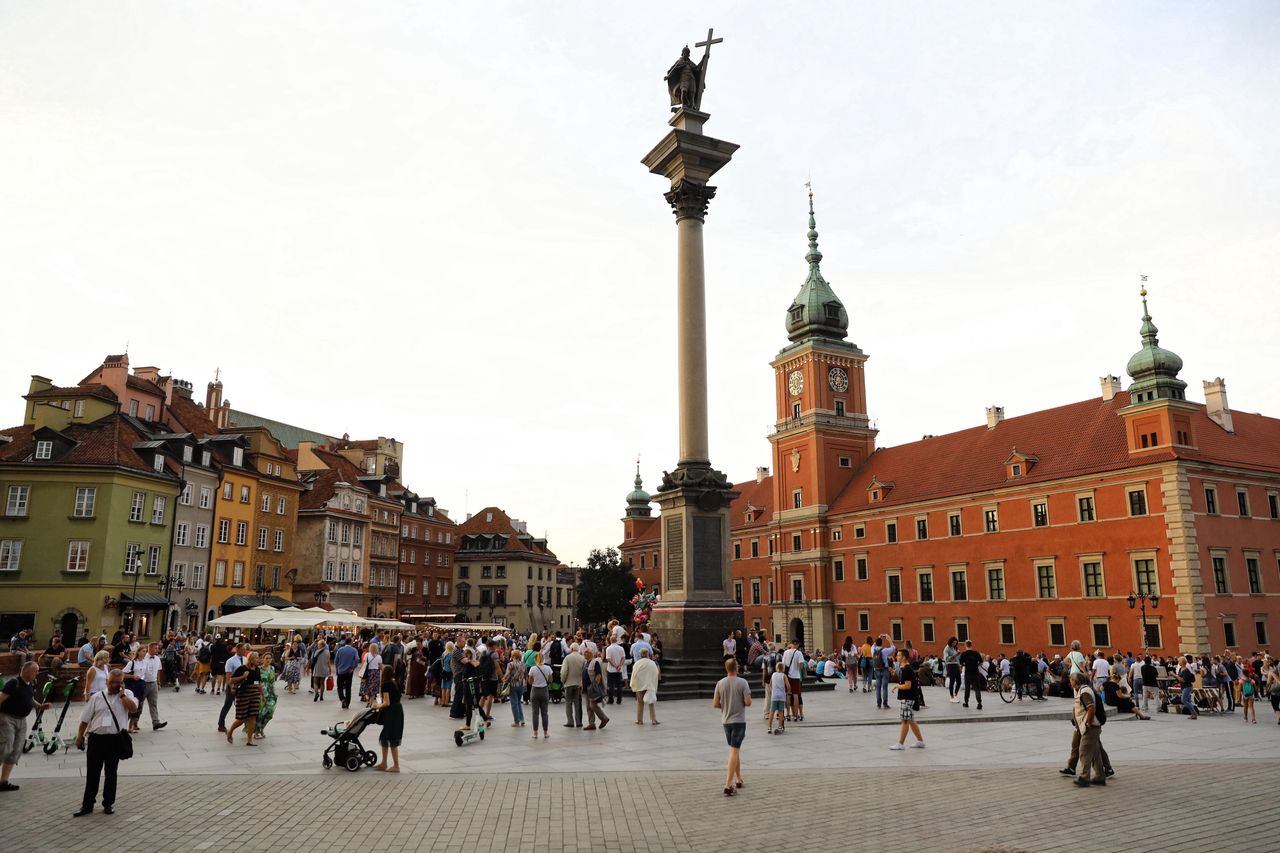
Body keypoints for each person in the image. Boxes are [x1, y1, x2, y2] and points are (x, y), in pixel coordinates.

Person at [73, 669, 137, 816]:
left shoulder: (128, 695)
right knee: (92, 773)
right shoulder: (96, 697)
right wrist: (79, 736)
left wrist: (122, 695)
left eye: (117, 682)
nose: (113, 685)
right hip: (97, 738)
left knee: (111, 773)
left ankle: (108, 803)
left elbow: (133, 709)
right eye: (111, 682)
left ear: (122, 683)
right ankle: (87, 805)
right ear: (106, 681)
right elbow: (84, 719)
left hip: (115, 739)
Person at [0, 662, 52, 792]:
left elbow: (30, 698)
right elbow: (1, 698)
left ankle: (3, 782)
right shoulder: (13, 683)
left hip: (21, 721)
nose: (37, 673)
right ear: (27, 671)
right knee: (4, 748)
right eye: (36, 671)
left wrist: (40, 706)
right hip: (7, 718)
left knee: (16, 750)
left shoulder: (30, 684)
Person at [712, 658, 751, 796]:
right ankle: (728, 784)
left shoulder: (720, 683)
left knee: (735, 749)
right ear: (737, 667)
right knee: (734, 751)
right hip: (739, 721)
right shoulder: (743, 682)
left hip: (726, 721)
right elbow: (748, 702)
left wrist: (726, 706)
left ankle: (738, 779)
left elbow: (715, 703)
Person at [1069, 671, 1106, 787]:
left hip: (1091, 727)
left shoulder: (1084, 692)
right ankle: (1100, 776)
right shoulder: (1082, 690)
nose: (1070, 682)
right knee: (1095, 752)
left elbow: (1091, 708)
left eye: (1071, 680)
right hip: (1092, 727)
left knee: (1084, 751)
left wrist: (1088, 723)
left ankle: (1085, 777)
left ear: (1076, 681)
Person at [888, 649, 925, 750]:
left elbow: (908, 686)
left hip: (907, 698)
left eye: (899, 655)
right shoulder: (905, 668)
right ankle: (920, 741)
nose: (897, 657)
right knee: (911, 720)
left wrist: (897, 686)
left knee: (905, 720)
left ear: (904, 657)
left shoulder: (906, 670)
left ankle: (900, 743)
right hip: (909, 697)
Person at [369, 665, 402, 772]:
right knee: (390, 737)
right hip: (398, 710)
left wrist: (376, 706)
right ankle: (384, 763)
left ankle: (395, 766)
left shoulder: (385, 685)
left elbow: (387, 702)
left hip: (391, 712)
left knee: (388, 737)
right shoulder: (394, 682)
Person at [226, 651, 263, 746]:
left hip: (254, 694)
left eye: (258, 658)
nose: (258, 660)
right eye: (256, 658)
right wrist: (243, 676)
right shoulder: (242, 668)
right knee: (241, 718)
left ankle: (249, 740)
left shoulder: (257, 669)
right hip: (243, 694)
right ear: (251, 659)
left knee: (253, 716)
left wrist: (262, 695)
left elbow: (257, 683)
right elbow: (231, 680)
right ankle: (230, 731)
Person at [137, 642, 168, 731]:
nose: (157, 650)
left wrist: (158, 682)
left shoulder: (157, 659)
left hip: (153, 683)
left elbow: (158, 671)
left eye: (157, 648)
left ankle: (156, 722)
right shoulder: (143, 658)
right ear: (149, 649)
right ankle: (134, 722)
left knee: (153, 703)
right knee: (140, 704)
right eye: (155, 648)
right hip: (144, 683)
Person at [630, 647, 660, 725]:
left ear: (640, 655)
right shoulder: (652, 663)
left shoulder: (637, 663)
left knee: (640, 703)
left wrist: (633, 684)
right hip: (649, 684)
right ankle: (653, 720)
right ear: (648, 654)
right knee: (651, 702)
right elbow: (655, 673)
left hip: (640, 685)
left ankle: (639, 720)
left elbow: (634, 674)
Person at [526, 652, 553, 739]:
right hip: (544, 690)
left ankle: (535, 733)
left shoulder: (533, 669)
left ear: (535, 659)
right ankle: (545, 732)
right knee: (545, 713)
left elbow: (530, 682)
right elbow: (550, 680)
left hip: (535, 691)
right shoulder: (548, 668)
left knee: (535, 713)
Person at [583, 647, 610, 731]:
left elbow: (598, 675)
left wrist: (595, 685)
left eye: (586, 652)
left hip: (592, 688)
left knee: (592, 704)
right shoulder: (585, 663)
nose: (584, 654)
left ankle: (604, 718)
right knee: (588, 706)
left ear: (590, 653)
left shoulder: (595, 662)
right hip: (586, 688)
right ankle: (591, 724)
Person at [561, 643, 585, 729]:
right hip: (578, 683)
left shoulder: (567, 658)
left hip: (569, 683)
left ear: (571, 649)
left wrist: (563, 681)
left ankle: (570, 721)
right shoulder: (582, 658)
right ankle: (579, 722)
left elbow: (564, 671)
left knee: (568, 703)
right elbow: (584, 672)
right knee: (577, 703)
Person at [255, 652, 278, 738]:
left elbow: (273, 682)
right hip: (261, 694)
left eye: (270, 658)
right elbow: (257, 682)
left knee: (270, 713)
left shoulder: (272, 668)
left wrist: (274, 693)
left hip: (271, 694)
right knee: (260, 713)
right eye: (266, 658)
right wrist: (261, 693)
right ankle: (257, 731)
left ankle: (262, 728)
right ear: (262, 659)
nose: (268, 660)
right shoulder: (259, 669)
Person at [333, 637, 360, 709]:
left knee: (340, 687)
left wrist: (337, 669)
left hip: (341, 671)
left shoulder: (340, 650)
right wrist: (353, 667)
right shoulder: (354, 650)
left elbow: (336, 661)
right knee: (348, 688)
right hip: (349, 671)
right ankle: (347, 703)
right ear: (351, 642)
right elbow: (357, 659)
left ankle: (342, 699)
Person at [504, 647, 527, 727]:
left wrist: (505, 680)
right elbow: (525, 675)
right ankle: (522, 719)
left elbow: (507, 675)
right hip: (521, 685)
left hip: (513, 685)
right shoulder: (523, 664)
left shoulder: (510, 664)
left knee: (514, 703)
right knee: (518, 703)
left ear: (513, 655)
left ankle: (516, 721)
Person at [957, 639, 983, 710]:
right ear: (971, 645)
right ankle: (979, 703)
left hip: (968, 673)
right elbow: (981, 662)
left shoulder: (964, 654)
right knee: (977, 688)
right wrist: (976, 665)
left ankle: (966, 703)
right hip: (975, 672)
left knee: (967, 688)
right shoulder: (976, 653)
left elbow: (961, 663)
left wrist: (966, 665)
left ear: (965, 645)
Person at [782, 640, 805, 720]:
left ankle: (788, 714)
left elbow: (783, 665)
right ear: (797, 644)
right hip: (796, 676)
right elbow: (801, 666)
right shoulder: (799, 653)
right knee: (796, 695)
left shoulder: (785, 652)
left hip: (787, 676)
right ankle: (795, 715)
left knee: (788, 695)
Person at [604, 633, 627, 705]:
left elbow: (609, 659)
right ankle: (619, 699)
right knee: (619, 685)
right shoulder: (621, 648)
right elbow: (623, 657)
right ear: (616, 640)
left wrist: (614, 666)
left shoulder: (608, 648)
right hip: (619, 669)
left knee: (611, 685)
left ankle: (611, 699)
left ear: (610, 640)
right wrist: (619, 665)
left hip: (611, 669)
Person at [767, 661, 788, 735]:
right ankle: (779, 726)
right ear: (783, 669)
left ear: (776, 668)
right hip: (781, 696)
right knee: (780, 711)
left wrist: (773, 690)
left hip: (774, 696)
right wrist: (788, 691)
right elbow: (788, 685)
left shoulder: (773, 674)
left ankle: (769, 727)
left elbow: (770, 684)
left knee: (772, 711)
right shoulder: (784, 675)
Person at [308, 637, 330, 702]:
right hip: (324, 668)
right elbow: (328, 661)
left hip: (317, 668)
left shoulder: (317, 651)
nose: (317, 646)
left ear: (321, 645)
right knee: (322, 683)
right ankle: (321, 696)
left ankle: (316, 693)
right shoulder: (327, 652)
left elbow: (313, 660)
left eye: (318, 644)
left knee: (315, 682)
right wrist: (329, 668)